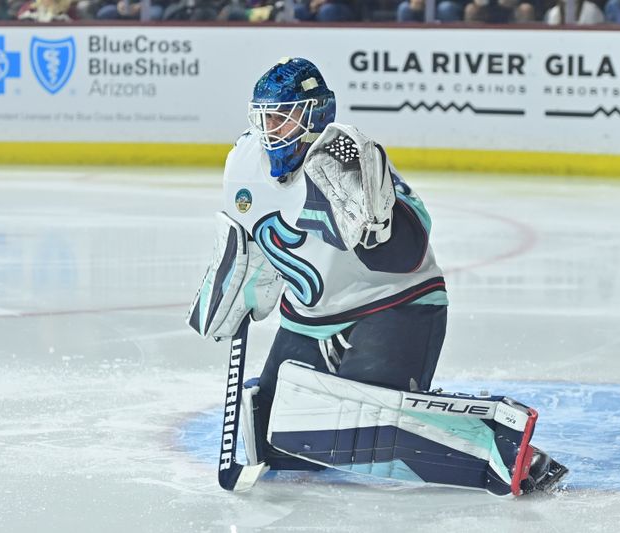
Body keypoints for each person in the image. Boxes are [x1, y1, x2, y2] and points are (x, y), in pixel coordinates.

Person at [189, 57, 567, 495]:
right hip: (310, 316)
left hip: (395, 304)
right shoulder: (243, 162)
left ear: (314, 115)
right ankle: (394, 390)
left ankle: (494, 443)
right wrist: (240, 288)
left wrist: (380, 222)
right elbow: (248, 238)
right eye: (265, 117)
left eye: (282, 116)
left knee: (365, 426)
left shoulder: (347, 160)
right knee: (281, 443)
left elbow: (410, 251)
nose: (270, 128)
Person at [396, 0, 465, 22]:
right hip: (419, 6)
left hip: (443, 4)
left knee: (445, 8)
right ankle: (408, 43)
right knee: (404, 8)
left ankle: (451, 40)